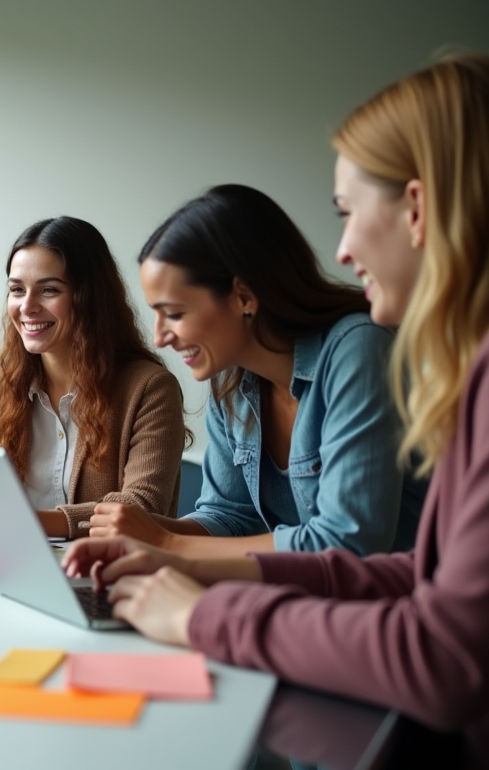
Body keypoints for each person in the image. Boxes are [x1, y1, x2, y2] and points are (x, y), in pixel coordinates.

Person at [63, 54, 489, 770]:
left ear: (418, 208)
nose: (345, 248)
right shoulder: (236, 386)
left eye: (348, 213)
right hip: (349, 664)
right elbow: (414, 573)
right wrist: (173, 556)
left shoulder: (365, 347)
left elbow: (405, 604)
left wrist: (200, 604)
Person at [84, 185, 427, 557]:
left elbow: (349, 541)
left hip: (398, 605)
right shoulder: (230, 379)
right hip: (306, 599)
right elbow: (229, 517)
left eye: (176, 313)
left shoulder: (357, 347)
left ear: (243, 297)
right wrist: (140, 530)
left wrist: (168, 543)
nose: (160, 337)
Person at [0, 216, 186, 545]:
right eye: (16, 290)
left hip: (106, 574)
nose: (27, 306)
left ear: (89, 296)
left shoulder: (150, 388)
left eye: (49, 290)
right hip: (9, 565)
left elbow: (140, 508)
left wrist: (17, 519)